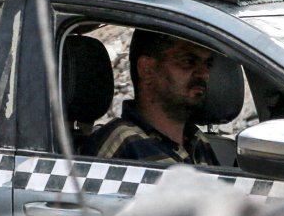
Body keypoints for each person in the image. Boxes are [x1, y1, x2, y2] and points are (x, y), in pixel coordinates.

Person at [81, 30, 218, 166]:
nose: (204, 74)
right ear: (147, 69)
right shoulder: (122, 142)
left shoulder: (197, 140)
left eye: (208, 65)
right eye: (188, 61)